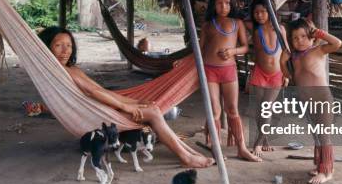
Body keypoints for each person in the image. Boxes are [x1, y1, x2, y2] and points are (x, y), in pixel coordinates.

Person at [39, 27, 214, 169]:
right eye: (58, 45)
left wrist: (135, 102)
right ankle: (186, 156)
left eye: (68, 45)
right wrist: (127, 107)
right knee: (153, 112)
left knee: (151, 108)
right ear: (47, 48)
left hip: (97, 109)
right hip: (93, 117)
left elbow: (101, 91)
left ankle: (189, 153)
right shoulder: (65, 73)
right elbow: (94, 93)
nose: (65, 51)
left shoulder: (72, 70)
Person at [199, 0, 261, 162]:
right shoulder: (208, 25)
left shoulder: (237, 23)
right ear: (213, 5)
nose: (223, 7)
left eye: (227, 3)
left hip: (229, 71)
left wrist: (233, 51)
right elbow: (199, 49)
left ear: (231, 4)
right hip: (209, 70)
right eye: (219, 3)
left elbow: (245, 47)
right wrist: (183, 63)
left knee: (232, 109)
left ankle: (241, 148)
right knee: (215, 110)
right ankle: (216, 147)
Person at [280, 19, 342, 184]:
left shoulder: (318, 50)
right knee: (317, 135)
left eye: (303, 36)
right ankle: (322, 165)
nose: (299, 40)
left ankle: (327, 171)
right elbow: (288, 76)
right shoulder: (294, 57)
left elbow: (337, 43)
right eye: (295, 38)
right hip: (307, 102)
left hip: (323, 99)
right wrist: (282, 61)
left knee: (324, 135)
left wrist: (319, 33)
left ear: (311, 37)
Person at [248, 0, 290, 158]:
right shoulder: (256, 31)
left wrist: (286, 74)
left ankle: (258, 141)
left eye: (264, 11)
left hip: (277, 74)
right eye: (256, 12)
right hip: (259, 73)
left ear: (271, 12)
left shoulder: (280, 29)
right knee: (259, 110)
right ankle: (265, 140)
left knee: (267, 108)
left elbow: (286, 52)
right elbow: (256, 54)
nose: (259, 15)